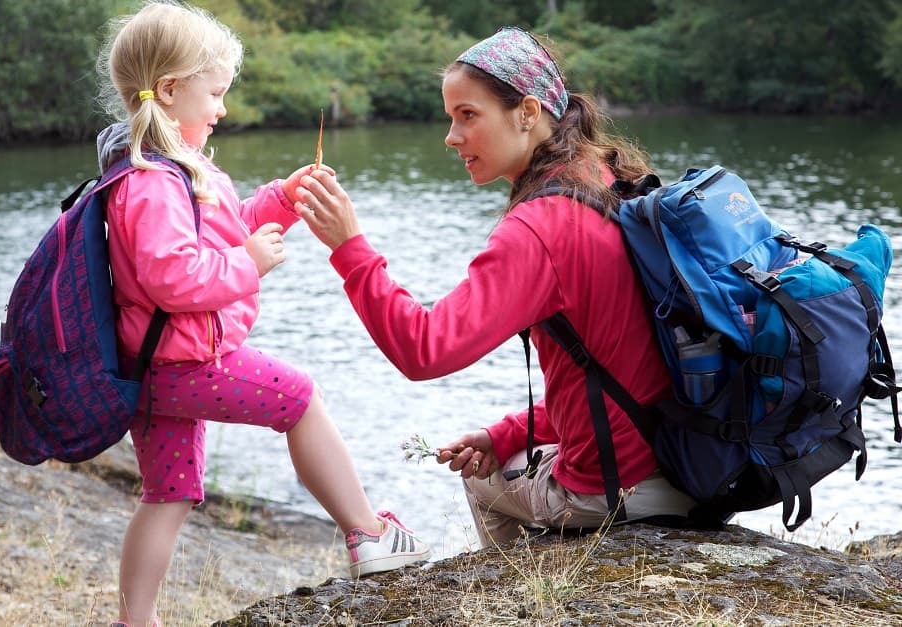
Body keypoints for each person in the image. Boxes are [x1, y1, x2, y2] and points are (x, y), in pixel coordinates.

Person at [295, 26, 697, 549]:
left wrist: (350, 248)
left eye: (468, 115)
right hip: (683, 459)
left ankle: (519, 596)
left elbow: (424, 349)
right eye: (450, 118)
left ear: (527, 113)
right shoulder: (609, 179)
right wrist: (506, 433)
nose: (451, 136)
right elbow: (619, 372)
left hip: (619, 487)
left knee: (482, 480)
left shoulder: (541, 225)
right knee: (502, 456)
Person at [95, 2, 429, 625]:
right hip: (185, 361)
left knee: (168, 495)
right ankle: (366, 532)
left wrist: (283, 199)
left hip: (154, 367)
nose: (222, 108)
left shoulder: (167, 170)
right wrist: (248, 265)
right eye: (214, 94)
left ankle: (134, 621)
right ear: (169, 91)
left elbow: (218, 235)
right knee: (300, 398)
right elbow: (174, 278)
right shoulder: (153, 182)